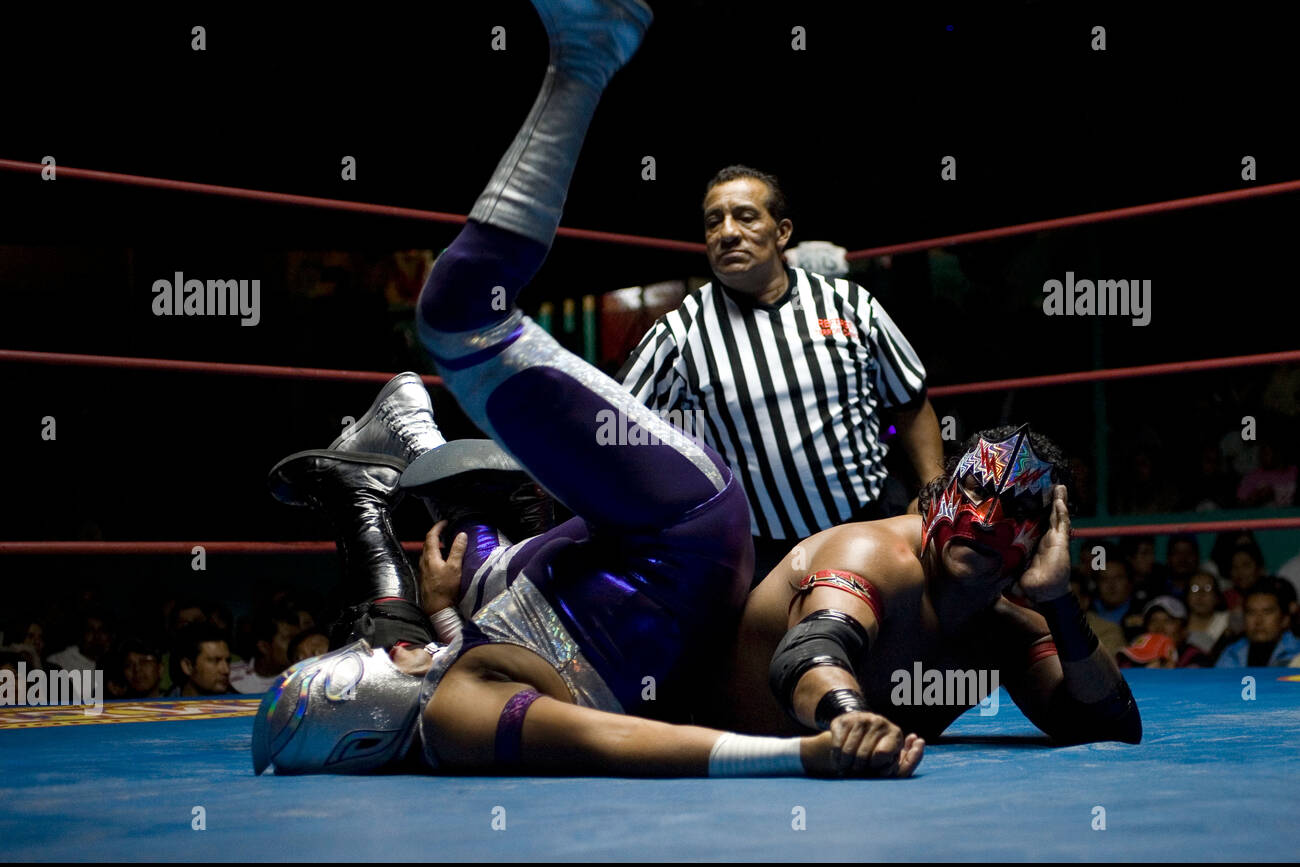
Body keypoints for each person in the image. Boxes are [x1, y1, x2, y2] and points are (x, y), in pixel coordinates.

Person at [252, 0, 914, 781]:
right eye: (370, 661)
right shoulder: (458, 712)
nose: (379, 648)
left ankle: (401, 446)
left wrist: (437, 613)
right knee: (461, 322)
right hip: (684, 533)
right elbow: (614, 744)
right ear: (371, 720)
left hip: (632, 552)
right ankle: (587, 57)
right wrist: (798, 757)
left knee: (475, 553)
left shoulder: (455, 665)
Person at [707, 425, 1143, 748]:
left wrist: (1059, 601)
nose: (987, 520)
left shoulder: (1006, 631)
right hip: (705, 777)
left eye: (1019, 507)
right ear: (941, 494)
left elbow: (1108, 723)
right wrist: (852, 720)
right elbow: (808, 654)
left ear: (1045, 536)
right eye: (975, 490)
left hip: (857, 804)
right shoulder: (875, 555)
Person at [618, 164, 944, 584]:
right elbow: (613, 426)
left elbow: (910, 403)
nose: (727, 232)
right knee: (790, 646)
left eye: (746, 216)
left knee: (898, 637)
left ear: (783, 232)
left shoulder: (846, 304)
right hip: (762, 548)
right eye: (713, 222)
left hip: (870, 516)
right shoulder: (678, 333)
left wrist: (935, 491)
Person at [1215, 578, 1299, 667]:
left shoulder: (1297, 653)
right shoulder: (1231, 653)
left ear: (1285, 620)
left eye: (1267, 612)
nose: (1258, 621)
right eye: (1251, 612)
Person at [167, 624, 232, 696]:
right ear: (188, 666)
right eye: (215, 661)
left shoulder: (239, 705)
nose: (226, 670)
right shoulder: (158, 706)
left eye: (228, 661)